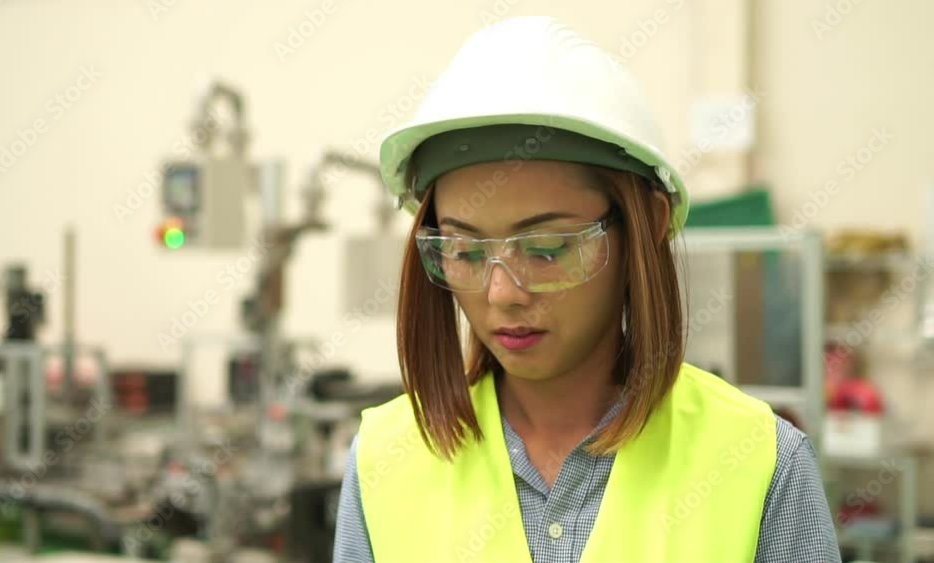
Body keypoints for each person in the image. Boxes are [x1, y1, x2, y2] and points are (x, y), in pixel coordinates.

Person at [333, 16, 840, 563]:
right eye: (466, 252)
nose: (502, 293)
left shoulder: (760, 464)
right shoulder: (383, 463)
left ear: (646, 225)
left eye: (548, 249)